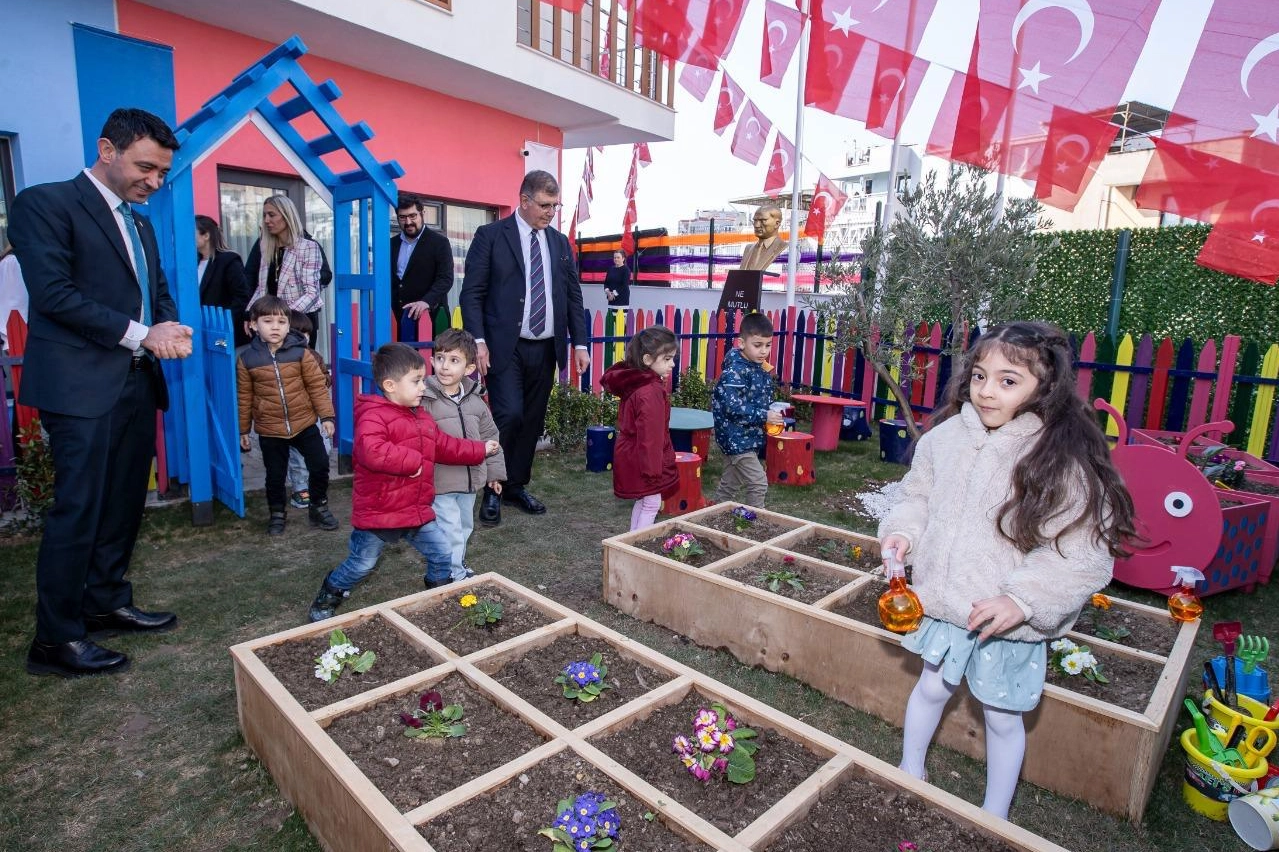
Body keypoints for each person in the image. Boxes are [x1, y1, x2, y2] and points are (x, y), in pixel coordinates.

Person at [879, 321, 1136, 820]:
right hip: (945, 603)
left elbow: (1080, 551)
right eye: (979, 376)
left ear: (1046, 386)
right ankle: (910, 768)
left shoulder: (1058, 457)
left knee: (1001, 715)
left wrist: (1022, 601)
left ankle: (995, 813)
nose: (987, 391)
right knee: (931, 686)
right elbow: (918, 498)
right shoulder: (945, 439)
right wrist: (904, 533)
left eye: (1007, 380)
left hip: (1003, 622)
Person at [10, 107, 193, 678]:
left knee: (121, 504)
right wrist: (145, 333)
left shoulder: (140, 222)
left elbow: (155, 291)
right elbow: (55, 295)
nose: (154, 183)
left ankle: (106, 599)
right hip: (79, 386)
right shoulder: (44, 204)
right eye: (146, 168)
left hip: (136, 382)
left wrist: (167, 328)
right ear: (106, 150)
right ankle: (56, 639)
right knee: (79, 509)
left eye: (162, 173)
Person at [308, 342, 499, 621]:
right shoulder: (373, 416)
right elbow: (371, 451)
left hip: (415, 510)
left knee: (442, 552)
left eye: (422, 380)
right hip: (380, 513)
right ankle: (329, 594)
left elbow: (444, 446)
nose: (424, 386)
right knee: (362, 564)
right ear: (390, 385)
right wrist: (412, 463)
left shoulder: (421, 416)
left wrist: (479, 449)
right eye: (417, 381)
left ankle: (437, 591)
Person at [460, 169, 590, 527]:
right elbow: (471, 294)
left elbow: (572, 296)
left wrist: (579, 342)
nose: (551, 212)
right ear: (524, 201)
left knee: (531, 421)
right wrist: (479, 342)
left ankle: (515, 485)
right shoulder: (491, 236)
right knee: (509, 415)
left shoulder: (560, 243)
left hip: (546, 347)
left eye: (555, 205)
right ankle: (493, 488)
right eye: (546, 205)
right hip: (505, 347)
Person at [238, 295, 338, 535]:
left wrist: (326, 417)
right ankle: (277, 514)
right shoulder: (247, 359)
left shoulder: (300, 353)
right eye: (268, 321)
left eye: (281, 322)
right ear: (253, 324)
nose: (275, 327)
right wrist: (243, 429)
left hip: (304, 423)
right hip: (270, 429)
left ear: (288, 325)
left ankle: (318, 506)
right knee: (275, 475)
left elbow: (317, 385)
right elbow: (244, 396)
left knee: (320, 464)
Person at [422, 328, 506, 582]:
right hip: (441, 481)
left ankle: (454, 563)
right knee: (450, 529)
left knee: (464, 527)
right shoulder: (424, 398)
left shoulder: (475, 399)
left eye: (453, 360)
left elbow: (490, 437)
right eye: (440, 358)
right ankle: (453, 574)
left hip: (470, 482)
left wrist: (494, 475)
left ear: (469, 369)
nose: (444, 366)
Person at [600, 326, 679, 531]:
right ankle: (639, 545)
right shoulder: (650, 391)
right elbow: (650, 435)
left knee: (644, 500)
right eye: (667, 358)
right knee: (652, 502)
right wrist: (654, 470)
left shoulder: (638, 383)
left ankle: (632, 540)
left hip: (632, 453)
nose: (673, 364)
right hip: (643, 458)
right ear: (647, 360)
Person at [712, 312, 783, 507]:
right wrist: (764, 415)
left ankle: (709, 519)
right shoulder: (735, 371)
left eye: (768, 345)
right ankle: (755, 524)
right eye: (758, 345)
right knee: (758, 483)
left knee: (729, 485)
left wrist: (771, 410)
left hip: (747, 436)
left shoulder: (756, 367)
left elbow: (757, 398)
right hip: (736, 438)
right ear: (742, 343)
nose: (763, 351)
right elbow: (732, 406)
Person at [244, 195, 324, 345]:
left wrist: (281, 316)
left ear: (287, 216)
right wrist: (250, 314)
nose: (267, 220)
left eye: (272, 215)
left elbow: (312, 292)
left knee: (297, 367)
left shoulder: (308, 247)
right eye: (264, 215)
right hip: (271, 325)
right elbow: (262, 289)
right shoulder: (266, 247)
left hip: (299, 323)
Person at [284, 309, 332, 510]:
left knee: (323, 448)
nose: (304, 337)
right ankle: (300, 487)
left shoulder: (314, 356)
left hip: (315, 413)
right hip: (295, 415)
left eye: (307, 334)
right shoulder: (282, 359)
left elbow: (325, 380)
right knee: (297, 455)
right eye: (298, 333)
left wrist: (322, 379)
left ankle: (316, 483)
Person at [392, 192, 455, 337]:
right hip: (397, 320)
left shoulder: (439, 243)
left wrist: (425, 302)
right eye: (402, 217)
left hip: (432, 319)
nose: (408, 222)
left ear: (422, 213)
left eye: (412, 216)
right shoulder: (391, 244)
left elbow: (445, 279)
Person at [195, 214, 252, 346]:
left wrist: (225, 322)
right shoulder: (193, 263)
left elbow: (242, 296)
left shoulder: (229, 260)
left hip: (224, 333)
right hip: (201, 329)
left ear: (206, 235)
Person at [738, 205, 786, 271]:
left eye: (763, 220)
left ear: (777, 224)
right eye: (755, 220)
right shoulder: (748, 249)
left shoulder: (785, 248)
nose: (756, 225)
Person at [0, 243, 29, 350]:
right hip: (16, 328)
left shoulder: (7, 262)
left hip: (12, 330)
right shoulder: (13, 262)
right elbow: (18, 299)